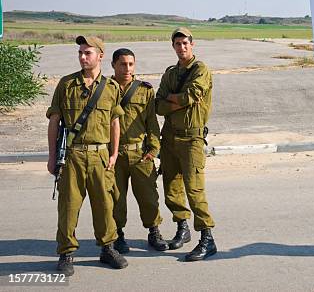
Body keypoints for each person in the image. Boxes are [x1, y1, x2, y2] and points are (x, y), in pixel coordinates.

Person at [46, 36, 128, 276]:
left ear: (100, 56)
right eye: (80, 53)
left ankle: (107, 248)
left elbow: (115, 122)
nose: (82, 57)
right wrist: (52, 157)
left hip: (100, 155)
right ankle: (66, 252)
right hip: (72, 156)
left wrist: (113, 153)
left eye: (87, 53)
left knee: (105, 205)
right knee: (68, 207)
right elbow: (54, 122)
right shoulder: (66, 84)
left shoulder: (111, 87)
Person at [155, 28, 216, 261]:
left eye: (185, 43)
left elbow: (191, 95)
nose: (182, 47)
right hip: (169, 136)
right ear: (173, 46)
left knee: (194, 189)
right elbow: (157, 106)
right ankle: (183, 227)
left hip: (192, 138)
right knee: (171, 187)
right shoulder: (170, 73)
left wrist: (173, 98)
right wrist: (178, 100)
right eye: (177, 44)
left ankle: (207, 239)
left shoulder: (200, 69)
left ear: (192, 45)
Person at [110, 48, 169, 253]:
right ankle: (117, 235)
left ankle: (154, 231)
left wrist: (153, 150)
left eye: (131, 64)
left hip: (140, 153)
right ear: (113, 65)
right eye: (122, 64)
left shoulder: (144, 90)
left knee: (148, 197)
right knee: (115, 198)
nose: (127, 68)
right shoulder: (104, 89)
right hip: (113, 155)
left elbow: (152, 122)